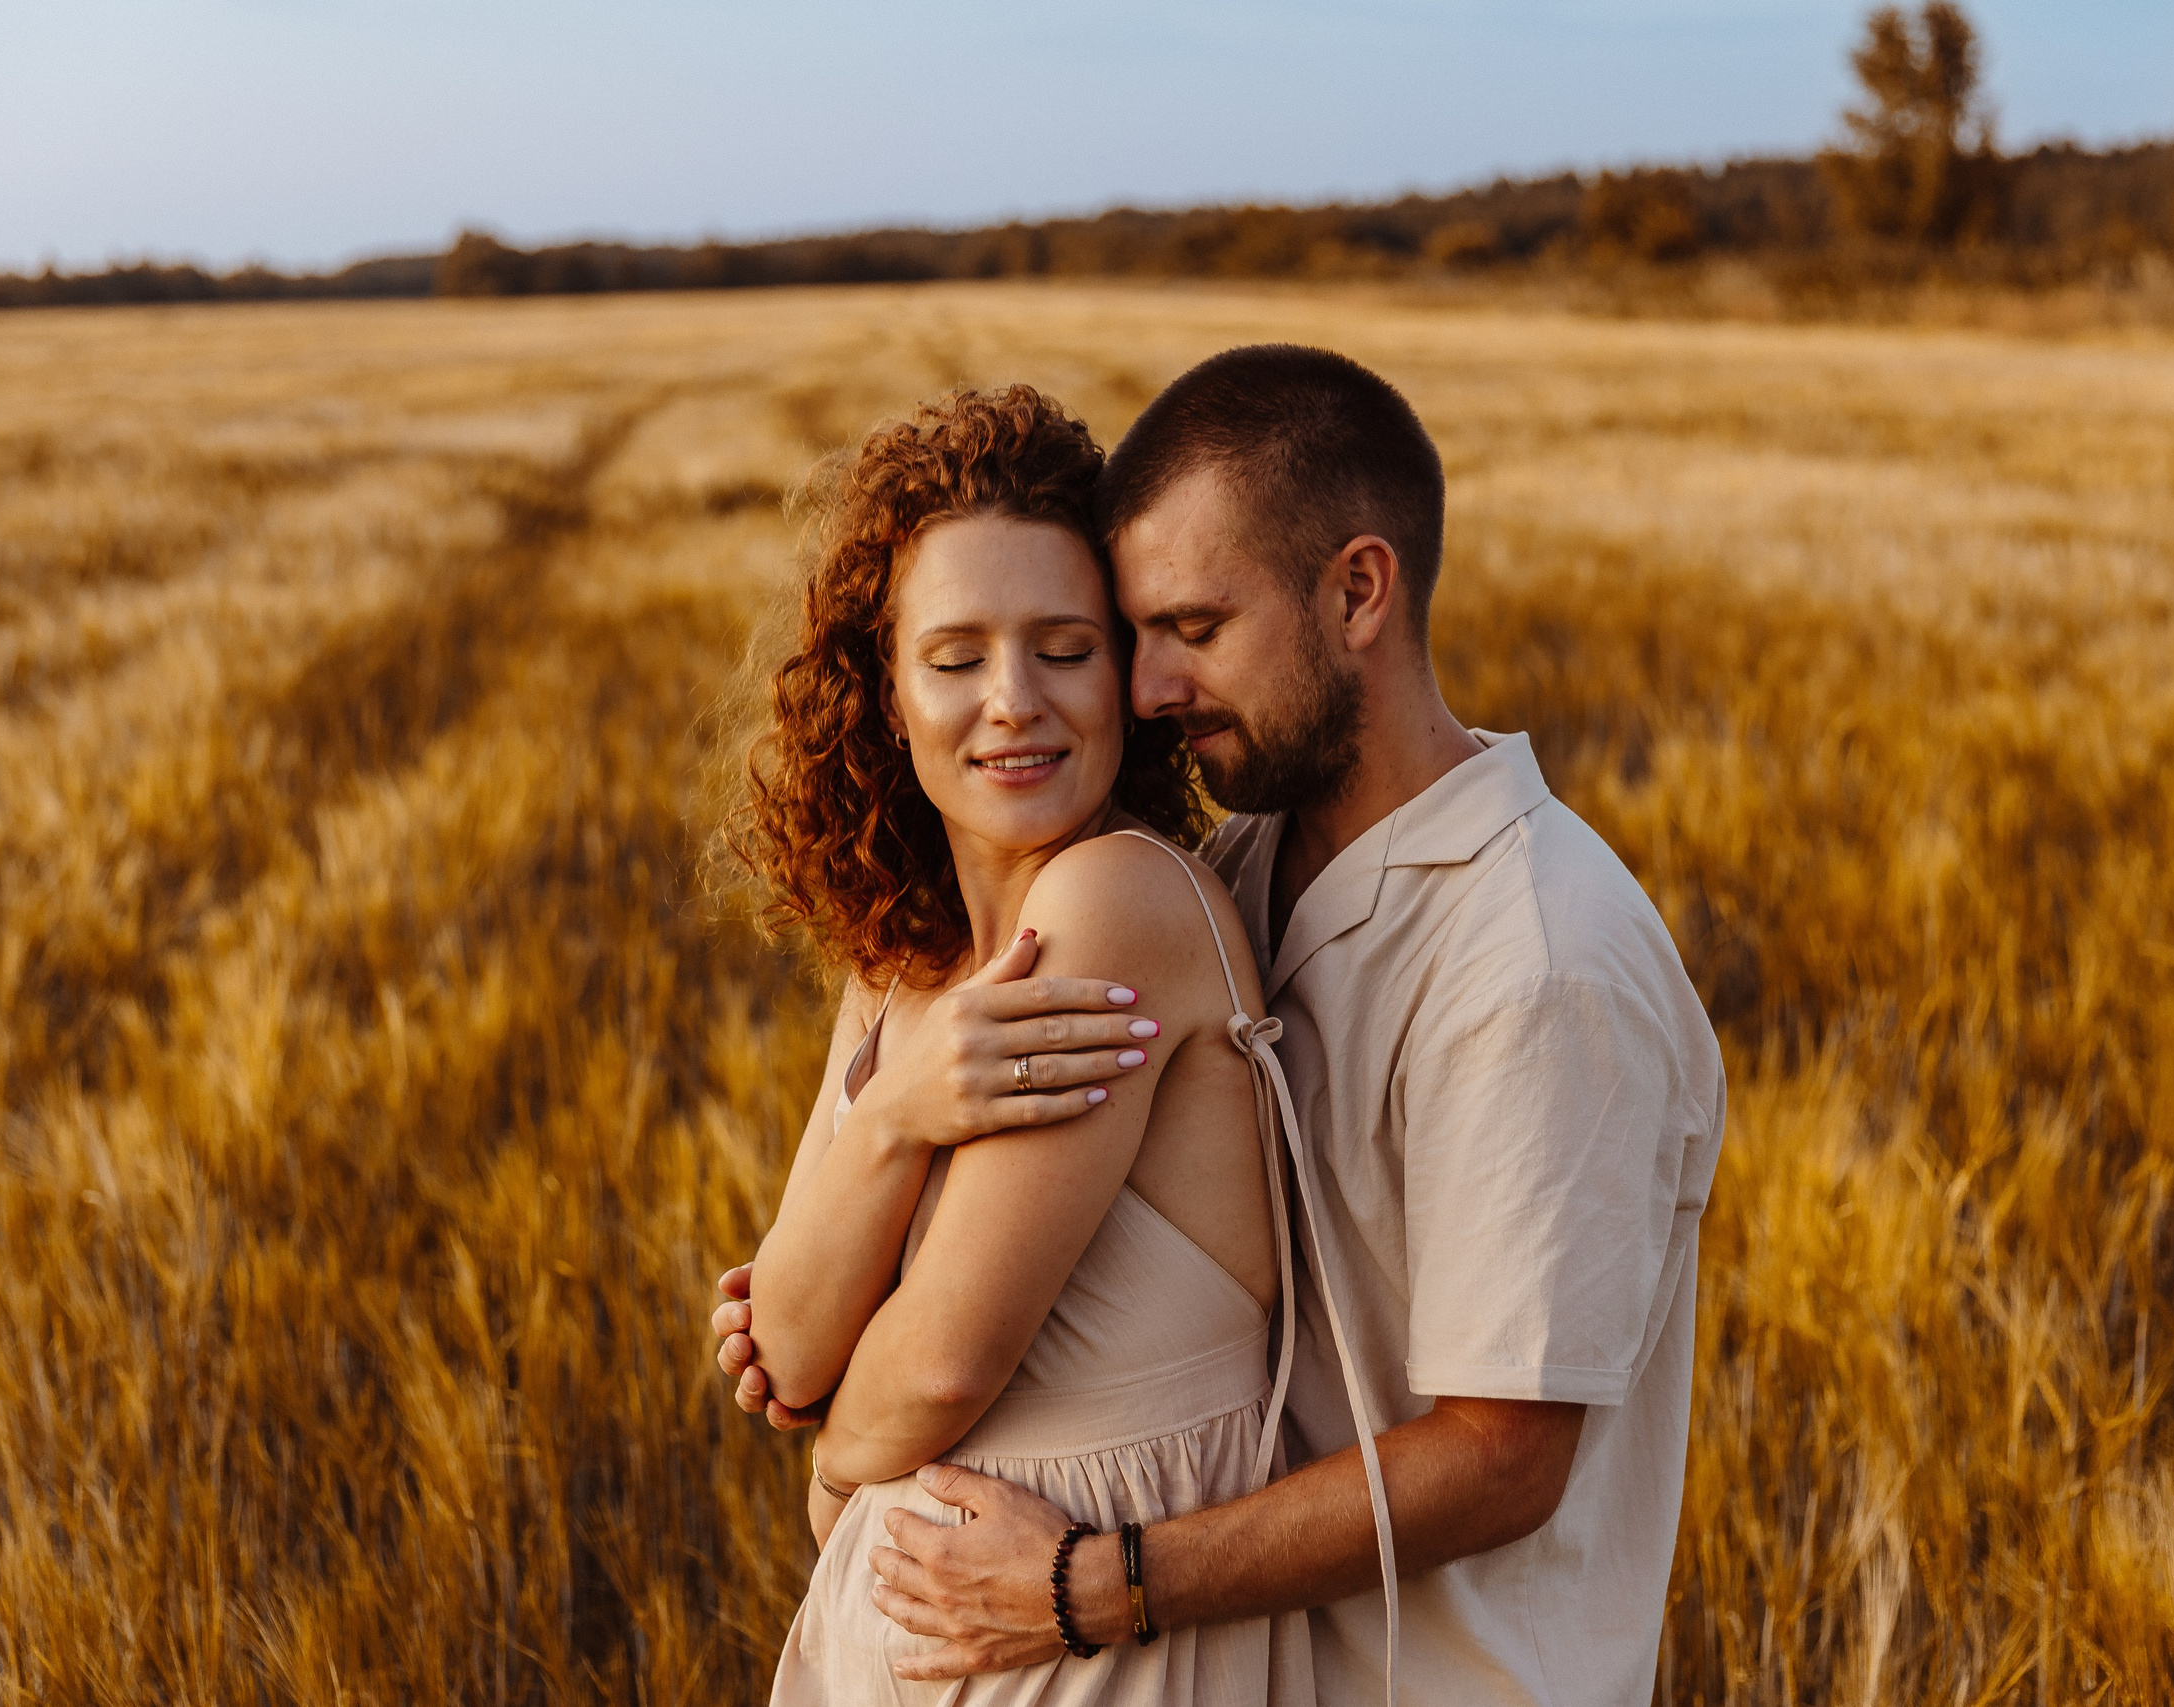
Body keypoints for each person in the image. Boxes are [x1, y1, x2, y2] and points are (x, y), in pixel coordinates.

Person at [716, 345, 1727, 1707]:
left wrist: (1088, 1575)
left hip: (1437, 1682)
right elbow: (811, 1334)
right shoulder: (1250, 862)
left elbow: (1503, 1458)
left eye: (1186, 629)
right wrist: (887, 1132)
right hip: (1237, 1652)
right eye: (1135, 639)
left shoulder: (1536, 958)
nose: (1142, 691)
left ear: (1358, 592)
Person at [726, 381, 1331, 1704]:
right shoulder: (901, 966)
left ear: (1128, 670)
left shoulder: (1117, 905)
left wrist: (836, 1470)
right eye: (954, 658)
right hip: (935, 1642)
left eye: (1065, 647)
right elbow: (787, 1341)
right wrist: (896, 1114)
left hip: (1094, 1647)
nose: (1014, 702)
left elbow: (937, 1367)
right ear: (886, 694)